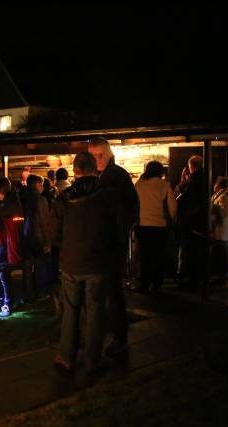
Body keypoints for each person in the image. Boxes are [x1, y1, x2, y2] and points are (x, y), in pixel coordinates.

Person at [52, 152, 124, 374]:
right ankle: (92, 359)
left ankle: (66, 357)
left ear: (75, 171)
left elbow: (54, 233)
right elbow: (118, 229)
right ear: (95, 169)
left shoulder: (63, 198)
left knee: (71, 311)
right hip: (98, 262)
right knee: (95, 311)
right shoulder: (109, 197)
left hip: (71, 262)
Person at [88, 137, 138, 359]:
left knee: (112, 293)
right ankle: (103, 338)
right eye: (93, 155)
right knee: (103, 294)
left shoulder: (116, 177)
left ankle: (118, 339)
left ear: (109, 154)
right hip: (100, 245)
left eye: (100, 155)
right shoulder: (99, 177)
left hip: (110, 246)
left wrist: (118, 236)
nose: (97, 159)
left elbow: (129, 211)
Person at [134, 161, 177, 294]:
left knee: (144, 256)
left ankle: (144, 284)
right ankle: (156, 284)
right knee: (158, 256)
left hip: (142, 226)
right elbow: (173, 207)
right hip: (159, 226)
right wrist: (172, 219)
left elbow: (133, 204)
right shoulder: (165, 185)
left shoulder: (138, 185)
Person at [0, 178, 24, 318]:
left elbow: (17, 220)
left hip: (6, 243)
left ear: (3, 191)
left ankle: (6, 303)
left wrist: (1, 221)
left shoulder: (12, 202)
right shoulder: (2, 203)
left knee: (2, 274)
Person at [176, 155, 208, 297]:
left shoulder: (194, 180)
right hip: (200, 221)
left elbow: (185, 200)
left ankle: (191, 280)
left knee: (190, 251)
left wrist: (182, 184)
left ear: (190, 166)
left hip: (191, 223)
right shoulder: (206, 177)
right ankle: (197, 279)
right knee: (197, 251)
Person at [21, 174, 53, 301]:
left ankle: (28, 294)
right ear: (34, 185)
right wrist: (47, 242)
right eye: (40, 184)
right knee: (40, 267)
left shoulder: (22, 198)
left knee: (27, 268)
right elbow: (44, 222)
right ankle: (40, 292)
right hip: (38, 237)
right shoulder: (41, 200)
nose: (42, 187)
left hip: (25, 237)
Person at [210, 176, 228, 286]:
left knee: (221, 254)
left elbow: (223, 213)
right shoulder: (222, 196)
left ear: (218, 185)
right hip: (220, 229)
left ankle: (222, 276)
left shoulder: (224, 197)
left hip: (221, 230)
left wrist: (212, 210)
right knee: (219, 253)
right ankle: (220, 276)